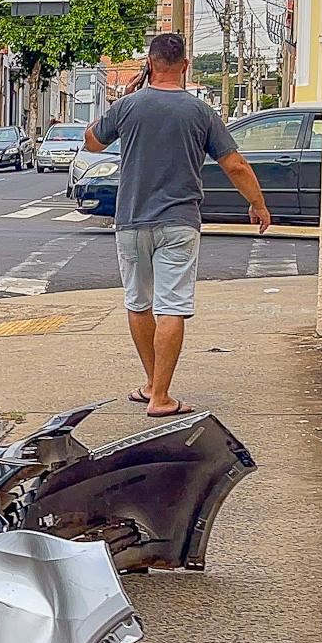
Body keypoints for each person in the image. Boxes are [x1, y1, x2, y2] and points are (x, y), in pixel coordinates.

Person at [85, 33, 268, 417]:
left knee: (139, 303)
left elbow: (92, 143)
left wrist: (124, 98)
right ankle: (161, 396)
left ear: (149, 65)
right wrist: (257, 203)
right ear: (185, 66)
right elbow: (234, 164)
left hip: (131, 219)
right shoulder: (200, 112)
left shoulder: (128, 107)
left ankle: (153, 385)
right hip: (180, 221)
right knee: (172, 306)